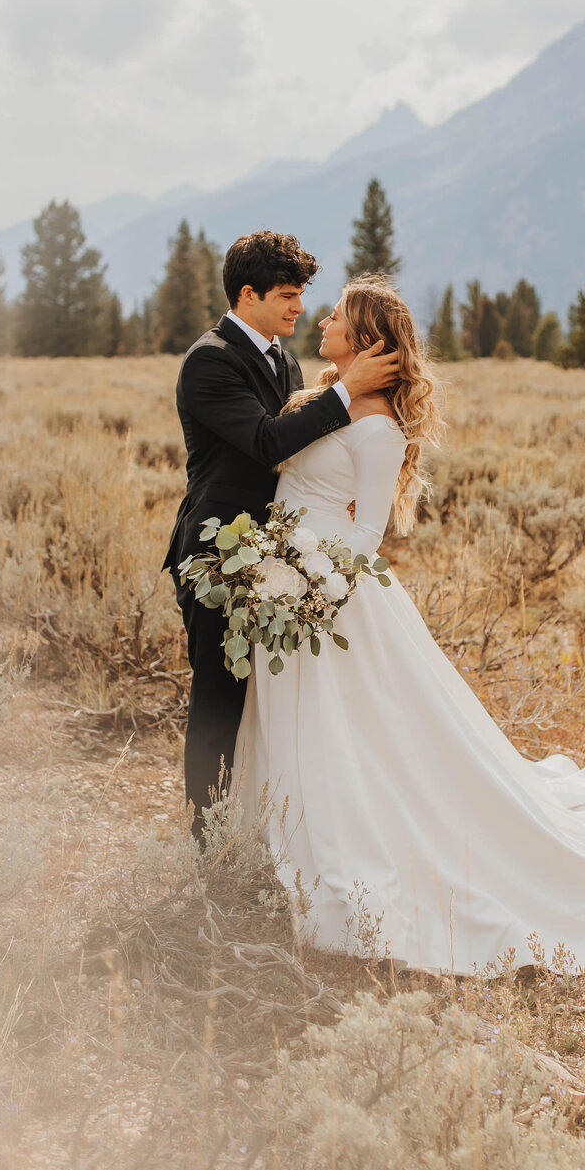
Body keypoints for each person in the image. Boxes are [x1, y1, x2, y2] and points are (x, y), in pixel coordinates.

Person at [235, 275, 585, 975]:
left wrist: (310, 584)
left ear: (366, 339)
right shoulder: (328, 399)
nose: (322, 319)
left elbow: (369, 535)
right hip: (286, 585)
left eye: (338, 315)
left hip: (326, 599)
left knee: (350, 737)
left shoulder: (375, 425)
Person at [163, 231, 399, 832]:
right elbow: (266, 442)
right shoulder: (210, 360)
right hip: (218, 554)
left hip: (282, 562)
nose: (299, 308)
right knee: (220, 704)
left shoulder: (286, 359)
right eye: (288, 295)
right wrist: (348, 391)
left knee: (273, 707)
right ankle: (207, 846)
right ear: (249, 294)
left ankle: (276, 830)